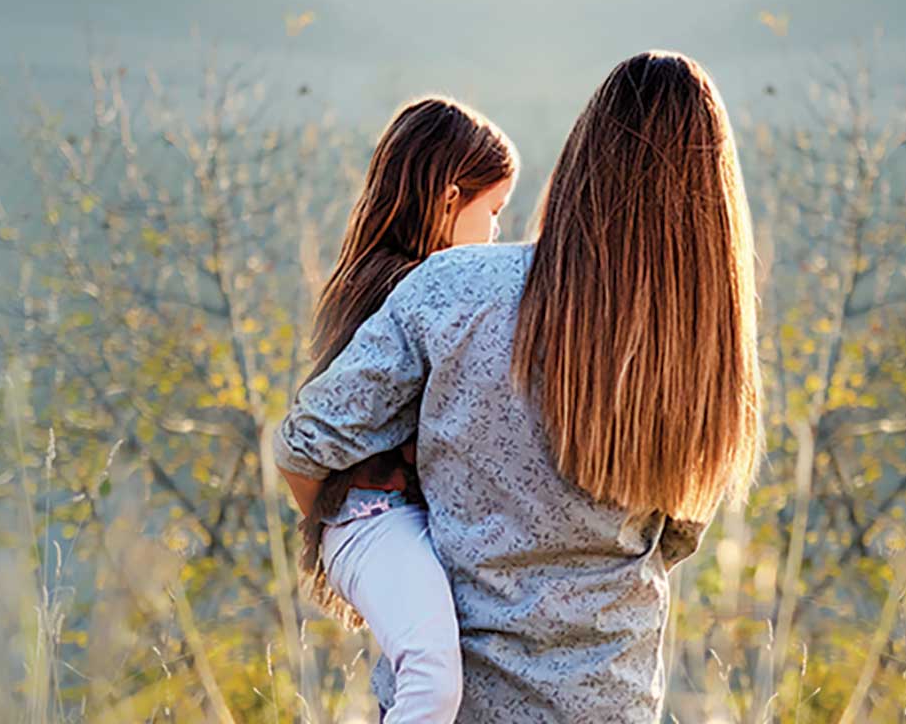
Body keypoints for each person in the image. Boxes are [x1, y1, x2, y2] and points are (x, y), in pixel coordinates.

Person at [268, 50, 761, 722]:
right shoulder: (703, 357)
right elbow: (676, 535)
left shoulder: (453, 291)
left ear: (584, 162)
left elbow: (304, 448)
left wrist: (368, 566)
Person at [278, 95, 517, 724]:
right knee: (432, 682)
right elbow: (311, 443)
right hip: (373, 514)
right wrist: (341, 521)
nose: (497, 233)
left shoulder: (388, 279)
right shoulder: (406, 293)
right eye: (492, 211)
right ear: (447, 199)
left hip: (385, 517)